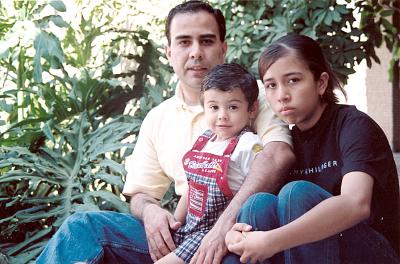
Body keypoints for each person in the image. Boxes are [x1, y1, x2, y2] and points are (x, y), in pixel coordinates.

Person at [36, 1, 294, 264]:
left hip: (241, 229)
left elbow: (277, 155)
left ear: (223, 48)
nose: (196, 52)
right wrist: (151, 212)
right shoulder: (159, 118)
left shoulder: (257, 95)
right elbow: (141, 194)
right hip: (185, 227)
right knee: (82, 227)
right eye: (184, 42)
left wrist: (222, 227)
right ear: (169, 52)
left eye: (206, 41)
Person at [225, 34, 400, 264]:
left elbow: (356, 203)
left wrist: (271, 241)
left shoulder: (353, 125)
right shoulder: (288, 142)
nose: (282, 95)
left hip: (373, 254)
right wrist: (234, 235)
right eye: (271, 85)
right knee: (258, 204)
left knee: (296, 193)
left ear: (321, 83)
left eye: (293, 80)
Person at [155, 62, 263, 264]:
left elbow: (256, 190)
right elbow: (191, 189)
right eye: (214, 107)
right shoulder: (204, 140)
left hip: (213, 231)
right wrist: (176, 225)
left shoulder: (248, 145)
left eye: (232, 107)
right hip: (189, 226)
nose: (222, 115)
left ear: (252, 109)